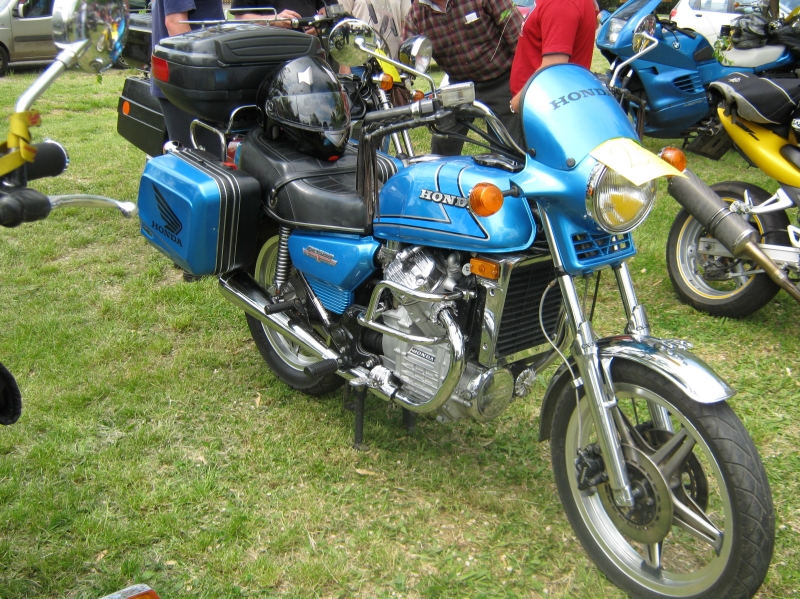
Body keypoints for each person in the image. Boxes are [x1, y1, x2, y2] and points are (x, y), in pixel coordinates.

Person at [403, 0, 523, 156]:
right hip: (459, 86)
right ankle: (445, 171)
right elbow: (406, 63)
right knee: (442, 142)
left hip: (501, 81)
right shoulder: (416, 15)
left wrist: (522, 87)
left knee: (508, 150)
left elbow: (520, 40)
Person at [150, 0, 224, 147]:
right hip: (190, 85)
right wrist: (202, 77)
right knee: (202, 158)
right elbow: (176, 24)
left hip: (191, 83)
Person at [509, 0, 598, 113]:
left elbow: (552, 70)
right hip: (548, 104)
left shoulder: (560, 4)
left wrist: (516, 104)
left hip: (544, 107)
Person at [338, 0, 411, 59]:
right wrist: (344, 65)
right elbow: (341, 23)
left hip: (392, 60)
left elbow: (405, 25)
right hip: (359, 59)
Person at [229, 0, 329, 27]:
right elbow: (240, 17)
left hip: (311, 49)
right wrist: (274, 20)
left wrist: (318, 24)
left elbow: (328, 9)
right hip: (272, 50)